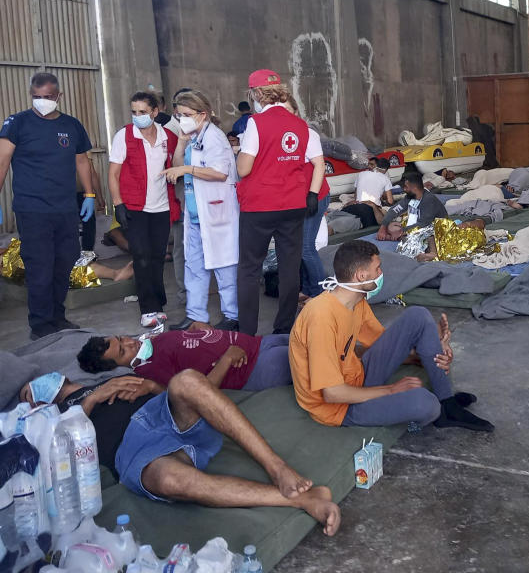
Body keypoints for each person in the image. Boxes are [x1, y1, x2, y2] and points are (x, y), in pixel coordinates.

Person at [18, 371, 340, 534]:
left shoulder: (105, 376)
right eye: (25, 395)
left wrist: (153, 388)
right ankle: (300, 499)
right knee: (169, 480)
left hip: (161, 413)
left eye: (30, 387)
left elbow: (169, 391)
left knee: (185, 380)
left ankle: (276, 466)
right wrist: (90, 401)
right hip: (134, 449)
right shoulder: (52, 418)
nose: (31, 392)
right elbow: (58, 451)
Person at [289, 240, 493, 431]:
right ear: (361, 276)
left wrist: (433, 346)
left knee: (418, 315)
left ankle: (448, 403)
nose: (381, 273)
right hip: (338, 407)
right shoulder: (321, 317)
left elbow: (385, 344)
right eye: (377, 269)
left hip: (357, 375)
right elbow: (332, 394)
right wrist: (390, 390)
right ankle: (439, 412)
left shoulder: (355, 301)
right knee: (424, 403)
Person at [0, 73, 97, 339]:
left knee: (65, 261)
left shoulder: (72, 125)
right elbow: (2, 162)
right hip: (32, 209)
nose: (42, 102)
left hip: (65, 208)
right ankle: (41, 325)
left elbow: (82, 161)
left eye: (48, 97)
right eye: (37, 97)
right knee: (40, 266)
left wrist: (89, 195)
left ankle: (57, 316)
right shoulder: (17, 123)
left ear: (59, 96)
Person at [236, 69, 326, 335]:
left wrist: (241, 152)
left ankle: (247, 332)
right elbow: (318, 163)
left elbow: (244, 169)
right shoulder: (301, 126)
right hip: (293, 204)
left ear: (256, 94)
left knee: (250, 269)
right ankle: (284, 328)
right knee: (290, 266)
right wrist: (312, 193)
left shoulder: (256, 123)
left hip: (260, 206)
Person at [160, 90, 241, 331]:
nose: (181, 118)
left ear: (202, 114)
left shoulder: (214, 137)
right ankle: (195, 316)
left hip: (217, 213)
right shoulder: (192, 137)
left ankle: (232, 315)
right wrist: (182, 142)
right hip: (195, 213)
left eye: (186, 114)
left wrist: (188, 170)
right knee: (193, 266)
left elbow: (220, 172)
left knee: (224, 266)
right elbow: (177, 166)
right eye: (178, 114)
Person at [108, 92, 180, 328]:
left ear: (155, 112)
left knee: (157, 257)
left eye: (143, 112)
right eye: (134, 112)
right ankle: (148, 309)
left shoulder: (167, 137)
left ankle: (157, 302)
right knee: (141, 256)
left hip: (161, 206)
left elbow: (174, 167)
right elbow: (114, 174)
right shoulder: (125, 136)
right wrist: (118, 204)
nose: (138, 116)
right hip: (134, 206)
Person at [77, 327, 293, 391]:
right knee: (319, 352)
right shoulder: (150, 370)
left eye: (121, 338)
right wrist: (227, 358)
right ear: (117, 367)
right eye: (123, 352)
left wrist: (195, 331)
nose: (130, 343)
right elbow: (198, 393)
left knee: (314, 334)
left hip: (257, 342)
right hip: (252, 367)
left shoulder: (150, 341)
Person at [284, 97, 330, 301]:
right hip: (296, 199)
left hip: (315, 196)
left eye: (288, 110)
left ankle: (322, 292)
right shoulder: (279, 136)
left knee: (305, 247)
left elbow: (319, 165)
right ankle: (310, 288)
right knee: (300, 246)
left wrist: (312, 195)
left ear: (296, 111)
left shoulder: (307, 133)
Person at [376, 172, 448, 241]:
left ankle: (392, 237)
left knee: (400, 232)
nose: (404, 189)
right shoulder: (410, 197)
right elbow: (394, 210)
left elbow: (423, 224)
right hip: (417, 226)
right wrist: (383, 227)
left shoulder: (429, 200)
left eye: (406, 187)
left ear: (415, 188)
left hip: (436, 230)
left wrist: (401, 231)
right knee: (391, 226)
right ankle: (393, 236)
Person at [350, 157, 394, 223]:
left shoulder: (361, 174)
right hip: (372, 210)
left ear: (376, 165)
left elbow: (356, 196)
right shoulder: (385, 179)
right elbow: (390, 201)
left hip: (357, 205)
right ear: (386, 170)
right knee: (391, 215)